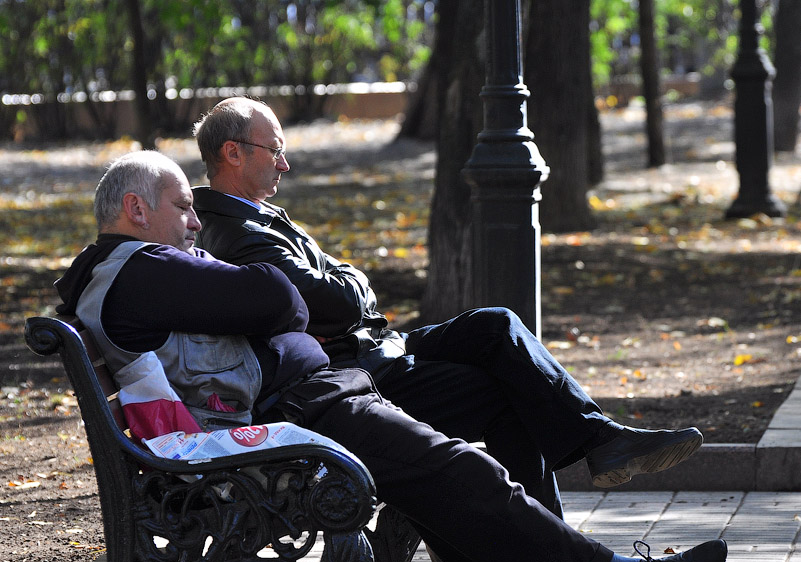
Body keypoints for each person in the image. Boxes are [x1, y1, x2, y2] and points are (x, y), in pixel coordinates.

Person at [54, 150, 728, 562]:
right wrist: (267, 306)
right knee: (461, 473)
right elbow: (281, 299)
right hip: (298, 418)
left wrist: (268, 309)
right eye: (182, 207)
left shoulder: (135, 270)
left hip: (308, 403)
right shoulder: (142, 270)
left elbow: (278, 305)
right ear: (137, 210)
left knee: (452, 481)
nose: (196, 222)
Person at [190, 97, 704, 517]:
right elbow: (334, 297)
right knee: (506, 386)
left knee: (496, 326)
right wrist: (348, 286)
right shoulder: (235, 231)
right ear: (233, 153)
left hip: (377, 347)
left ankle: (600, 443)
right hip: (353, 376)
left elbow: (347, 284)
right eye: (273, 150)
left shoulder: (257, 217)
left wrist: (349, 285)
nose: (285, 162)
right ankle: (537, 536)